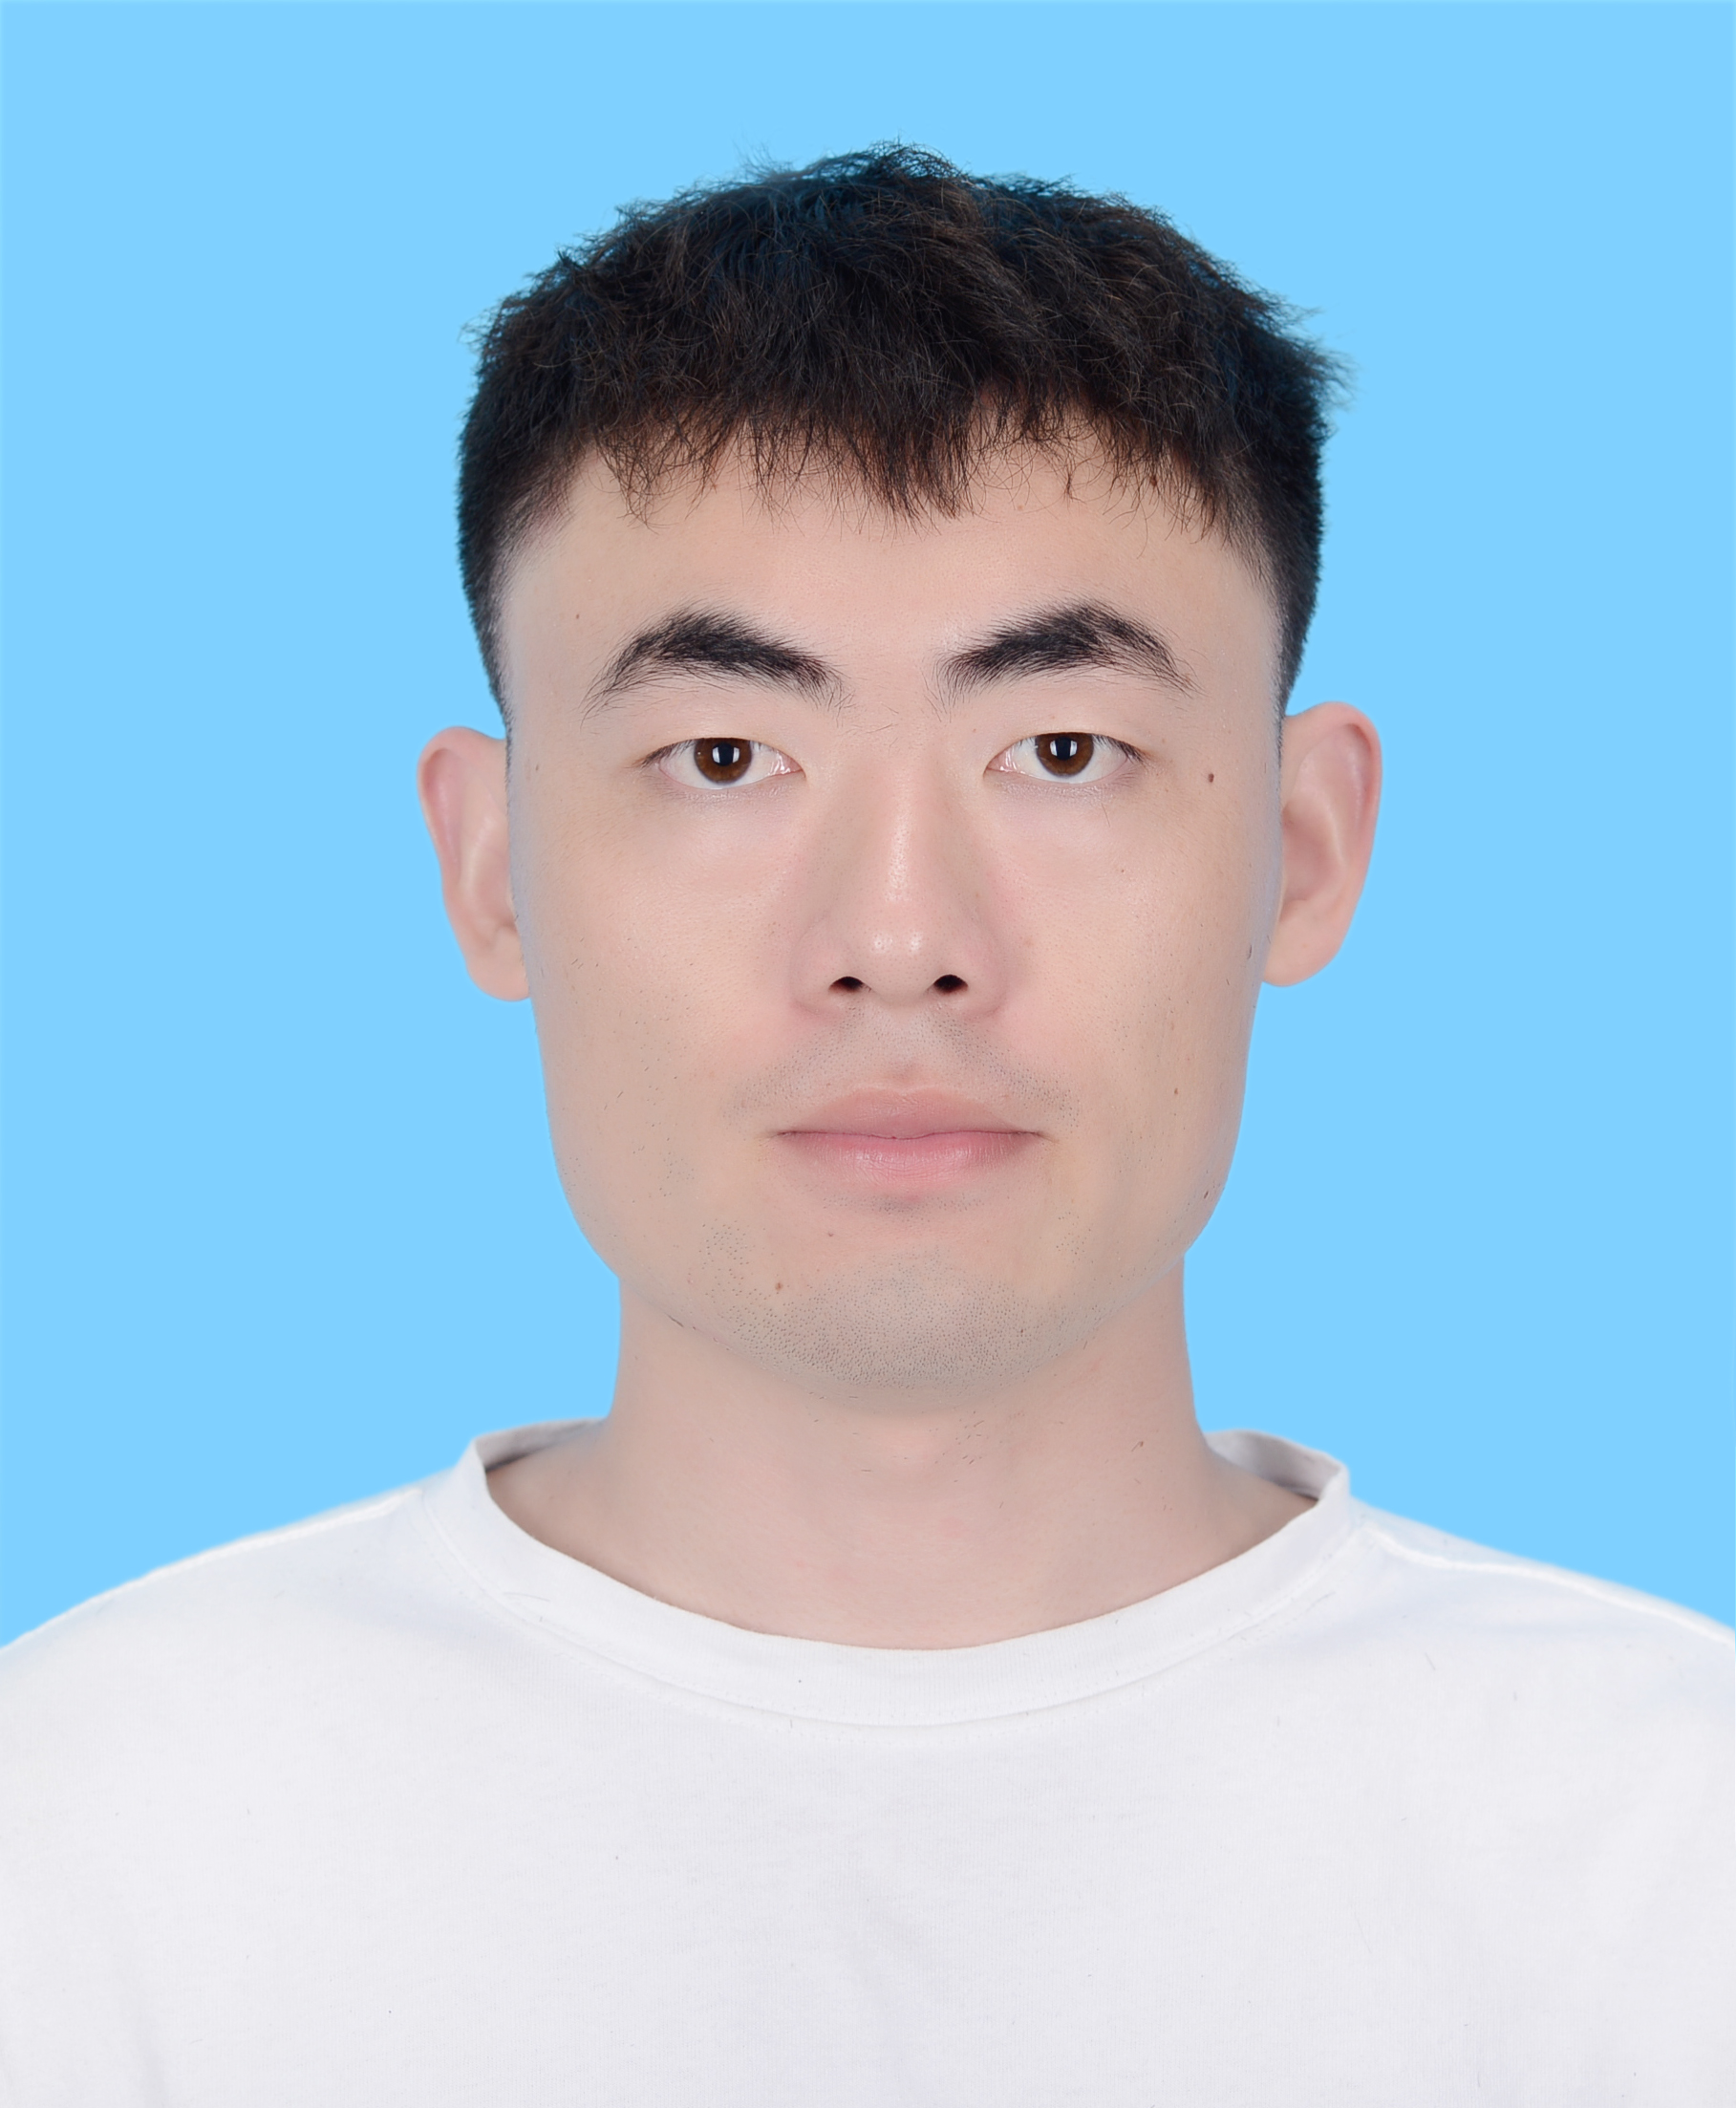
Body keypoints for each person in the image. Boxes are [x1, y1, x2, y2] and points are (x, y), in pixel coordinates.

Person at [0, 146, 1727, 2107]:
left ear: (1304, 847)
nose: (899, 940)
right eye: (725, 754)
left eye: (1060, 750)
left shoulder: (1673, 1851)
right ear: (490, 870)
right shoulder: (86, 1836)